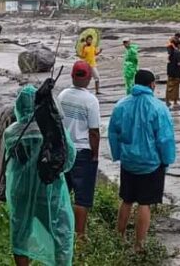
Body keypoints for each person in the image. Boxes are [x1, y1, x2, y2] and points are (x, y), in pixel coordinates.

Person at [4, 85, 76, 266]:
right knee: (60, 232)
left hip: (20, 191)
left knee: (21, 232)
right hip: (49, 191)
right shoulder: (53, 132)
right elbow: (67, 160)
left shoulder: (11, 133)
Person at [108, 69, 176, 251]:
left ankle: (119, 237)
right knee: (144, 203)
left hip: (128, 161)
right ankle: (139, 244)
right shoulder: (159, 107)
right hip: (151, 164)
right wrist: (167, 160)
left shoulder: (121, 105)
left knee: (127, 200)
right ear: (152, 85)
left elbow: (113, 132)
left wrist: (117, 155)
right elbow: (165, 138)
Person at [57, 61, 101, 242]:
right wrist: (95, 153)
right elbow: (94, 131)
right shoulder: (91, 100)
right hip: (83, 151)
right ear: (89, 78)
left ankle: (61, 230)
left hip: (64, 149)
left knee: (63, 193)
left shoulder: (62, 95)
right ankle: (80, 236)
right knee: (82, 198)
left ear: (72, 76)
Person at [166, 37, 180, 108]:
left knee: (169, 86)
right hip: (176, 72)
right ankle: (175, 102)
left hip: (170, 71)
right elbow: (179, 63)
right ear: (178, 45)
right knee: (176, 87)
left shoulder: (170, 52)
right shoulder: (178, 52)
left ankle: (167, 101)